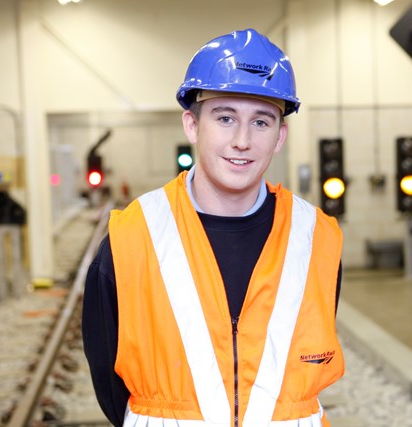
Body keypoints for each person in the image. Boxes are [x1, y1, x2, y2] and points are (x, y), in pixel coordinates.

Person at [82, 28, 344, 427]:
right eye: (225, 118)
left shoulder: (318, 237)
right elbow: (108, 377)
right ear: (192, 125)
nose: (242, 140)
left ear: (280, 136)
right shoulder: (132, 237)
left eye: (261, 121)